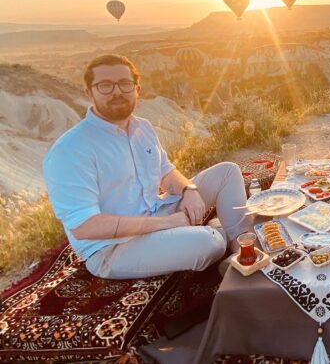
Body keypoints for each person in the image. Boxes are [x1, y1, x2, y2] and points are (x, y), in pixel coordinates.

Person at [43, 54, 251, 280]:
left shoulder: (143, 128)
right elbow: (85, 227)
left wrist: (188, 190)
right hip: (115, 248)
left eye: (124, 84)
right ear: (89, 93)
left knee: (227, 171)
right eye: (105, 85)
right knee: (210, 242)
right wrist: (166, 223)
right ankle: (220, 232)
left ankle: (244, 249)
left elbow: (166, 172)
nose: (117, 92)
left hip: (155, 212)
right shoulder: (71, 150)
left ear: (137, 89)